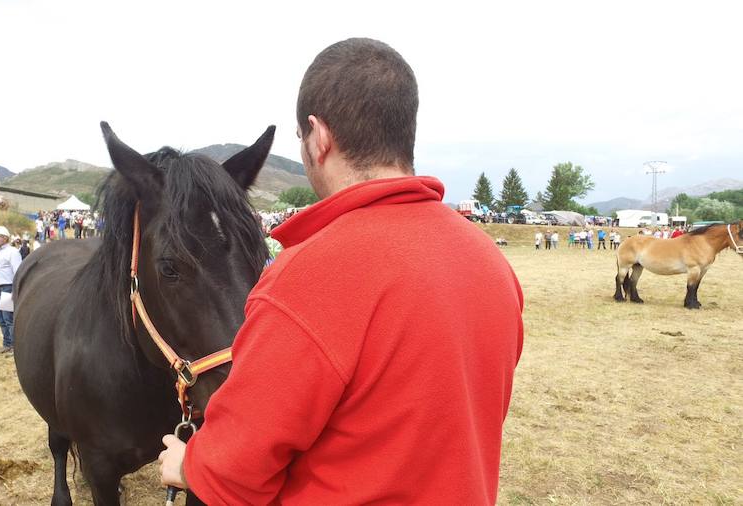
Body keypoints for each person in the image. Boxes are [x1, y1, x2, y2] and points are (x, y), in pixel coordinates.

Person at [158, 38, 524, 504]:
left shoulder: (309, 276)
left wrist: (189, 464)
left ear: (318, 135)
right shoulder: (489, 260)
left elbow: (238, 470)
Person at [0, 226, 22, 354]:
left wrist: (15, 291)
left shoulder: (12, 252)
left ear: (4, 238)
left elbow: (18, 272)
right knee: (1, 319)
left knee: (9, 319)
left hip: (7, 288)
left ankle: (14, 346)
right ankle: (7, 344)